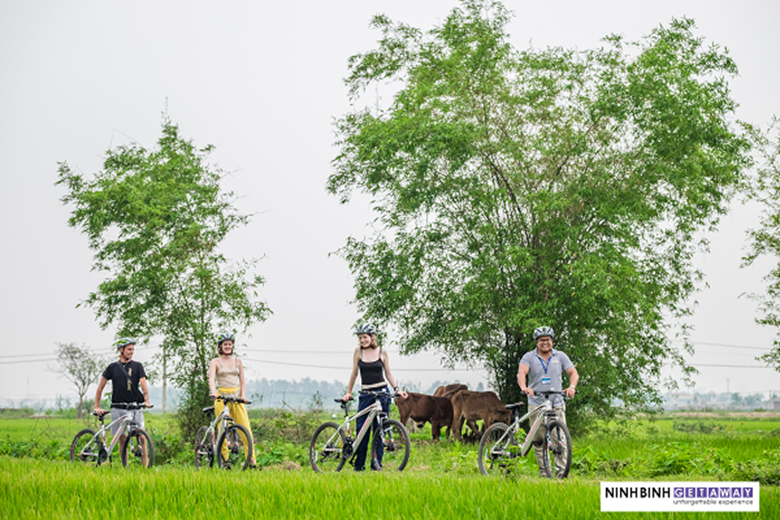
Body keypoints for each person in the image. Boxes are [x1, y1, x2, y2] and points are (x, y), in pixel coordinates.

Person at [342, 324, 408, 471]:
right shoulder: (358, 352)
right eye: (360, 338)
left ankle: (376, 466)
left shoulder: (382, 352)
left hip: (382, 393)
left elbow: (388, 374)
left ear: (372, 337)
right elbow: (354, 373)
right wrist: (349, 392)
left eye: (365, 337)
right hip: (366, 394)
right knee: (362, 431)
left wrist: (397, 389)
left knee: (380, 430)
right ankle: (359, 467)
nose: (362, 340)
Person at [517, 325, 579, 477]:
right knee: (538, 441)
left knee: (559, 439)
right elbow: (521, 373)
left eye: (548, 340)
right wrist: (525, 388)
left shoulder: (560, 356)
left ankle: (561, 473)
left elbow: (573, 373)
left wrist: (571, 387)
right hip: (536, 402)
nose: (545, 343)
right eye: (541, 340)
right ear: (536, 342)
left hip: (556, 402)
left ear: (552, 341)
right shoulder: (529, 357)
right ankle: (545, 473)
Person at [94, 338, 152, 462]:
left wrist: (146, 400)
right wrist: (96, 406)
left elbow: (143, 384)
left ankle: (146, 467)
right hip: (118, 407)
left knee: (141, 436)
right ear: (121, 350)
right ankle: (124, 466)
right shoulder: (112, 367)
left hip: (134, 407)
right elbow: (100, 388)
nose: (131, 352)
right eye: (129, 349)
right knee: (122, 438)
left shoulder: (137, 366)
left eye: (133, 349)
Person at [208, 332, 257, 469]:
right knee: (222, 429)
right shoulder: (215, 362)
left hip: (236, 397)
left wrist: (243, 396)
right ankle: (225, 461)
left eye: (230, 344)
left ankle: (252, 461)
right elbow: (212, 378)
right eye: (225, 344)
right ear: (220, 346)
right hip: (221, 396)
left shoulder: (238, 361)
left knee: (245, 428)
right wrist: (213, 392)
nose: (228, 346)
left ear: (233, 346)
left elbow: (242, 381)